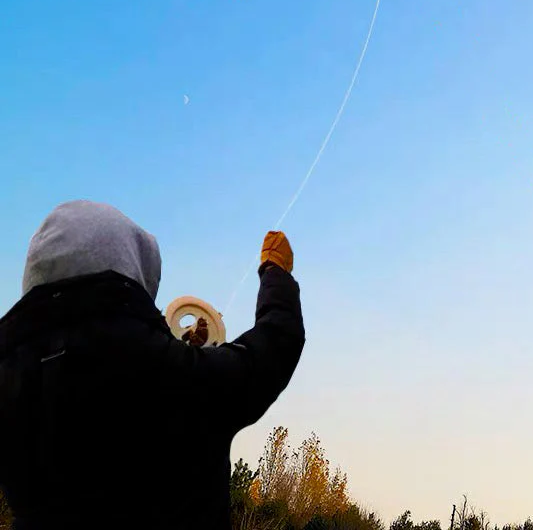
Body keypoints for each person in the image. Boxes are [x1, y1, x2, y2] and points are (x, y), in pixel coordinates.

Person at [0, 200, 305, 529]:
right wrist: (275, 273)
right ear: (129, 265)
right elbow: (273, 348)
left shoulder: (8, 375)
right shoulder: (170, 373)